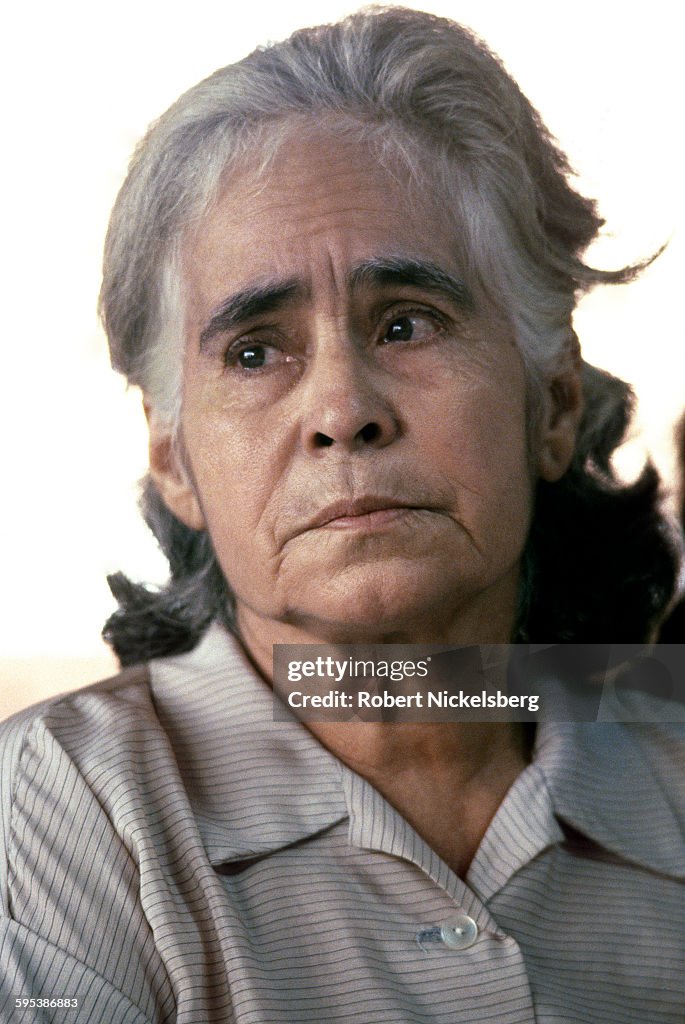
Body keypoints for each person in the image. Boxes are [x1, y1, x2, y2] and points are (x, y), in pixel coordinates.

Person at [1, 8, 683, 1022]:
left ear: (555, 404)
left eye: (407, 323)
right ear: (174, 458)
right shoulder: (57, 812)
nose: (341, 410)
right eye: (254, 351)